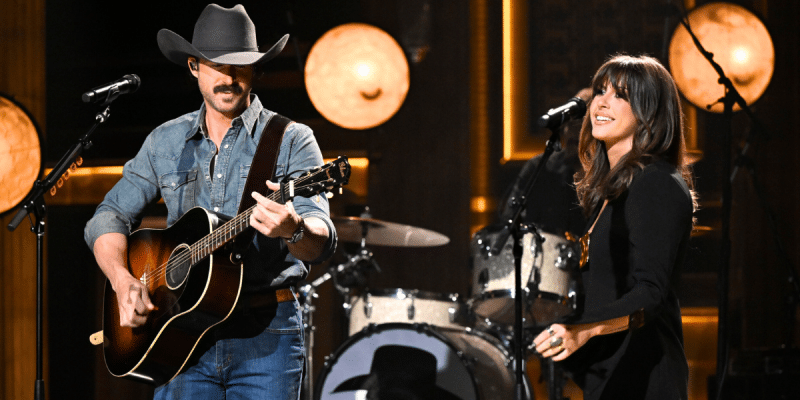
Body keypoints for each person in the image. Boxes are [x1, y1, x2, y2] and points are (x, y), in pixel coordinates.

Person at [84, 4, 336, 399]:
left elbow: (321, 241)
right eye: (215, 65)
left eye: (240, 66)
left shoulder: (291, 138)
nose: (229, 78)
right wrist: (122, 280)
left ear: (255, 70)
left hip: (266, 331)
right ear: (193, 67)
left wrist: (294, 228)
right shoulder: (165, 140)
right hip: (178, 333)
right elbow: (108, 216)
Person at [532, 54, 695, 400]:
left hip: (645, 375)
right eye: (600, 91)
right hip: (611, 375)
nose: (599, 103)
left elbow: (650, 294)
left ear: (648, 113)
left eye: (620, 95)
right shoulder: (615, 190)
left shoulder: (656, 183)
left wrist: (585, 330)